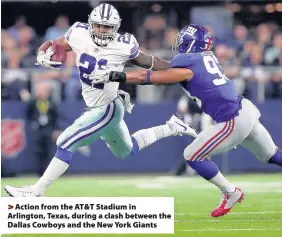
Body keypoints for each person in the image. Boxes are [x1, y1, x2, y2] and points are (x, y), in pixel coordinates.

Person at [4, 4, 197, 198]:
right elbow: (56, 44)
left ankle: (36, 191)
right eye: (99, 26)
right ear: (90, 24)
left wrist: (178, 67)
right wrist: (42, 52)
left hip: (107, 107)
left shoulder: (123, 44)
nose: (103, 31)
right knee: (126, 150)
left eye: (107, 27)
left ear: (116, 27)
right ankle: (171, 127)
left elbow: (150, 62)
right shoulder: (79, 34)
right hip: (98, 106)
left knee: (65, 142)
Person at [91, 24, 282, 217]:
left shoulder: (188, 64)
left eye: (183, 39)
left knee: (192, 155)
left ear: (191, 43)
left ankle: (230, 192)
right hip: (245, 109)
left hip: (232, 119)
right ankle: (231, 191)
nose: (179, 42)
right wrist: (131, 55)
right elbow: (158, 64)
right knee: (272, 155)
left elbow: (150, 77)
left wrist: (115, 76)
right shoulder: (204, 58)